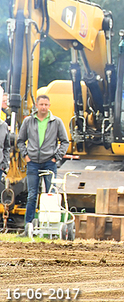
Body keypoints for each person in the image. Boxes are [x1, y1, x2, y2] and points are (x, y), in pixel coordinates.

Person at [17, 94, 70, 234]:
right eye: (41, 104)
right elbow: (20, 140)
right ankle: (28, 228)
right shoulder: (29, 121)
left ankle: (51, 227)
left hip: (49, 163)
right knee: (32, 195)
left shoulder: (56, 122)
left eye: (46, 105)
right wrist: (26, 156)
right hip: (33, 163)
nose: (44, 107)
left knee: (50, 194)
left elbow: (65, 141)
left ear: (49, 106)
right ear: (36, 106)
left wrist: (56, 157)